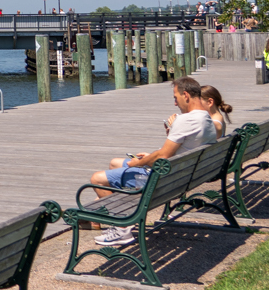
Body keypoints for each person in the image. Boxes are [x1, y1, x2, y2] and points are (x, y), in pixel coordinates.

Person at [89, 77, 216, 247]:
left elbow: (161, 156)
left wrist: (138, 163)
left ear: (185, 95)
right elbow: (176, 151)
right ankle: (103, 210)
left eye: (175, 97)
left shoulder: (186, 120)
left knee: (97, 179)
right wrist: (150, 156)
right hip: (183, 176)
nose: (175, 103)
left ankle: (121, 227)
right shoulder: (206, 119)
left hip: (162, 180)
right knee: (114, 164)